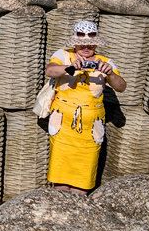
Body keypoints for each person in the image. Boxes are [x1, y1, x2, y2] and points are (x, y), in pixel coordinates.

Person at [43, 20, 126, 192]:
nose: (86, 47)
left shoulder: (105, 61)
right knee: (60, 178)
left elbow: (121, 86)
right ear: (74, 41)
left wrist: (109, 73)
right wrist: (69, 67)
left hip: (90, 128)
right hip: (63, 125)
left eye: (90, 44)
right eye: (82, 43)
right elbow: (50, 70)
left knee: (84, 177)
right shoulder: (64, 55)